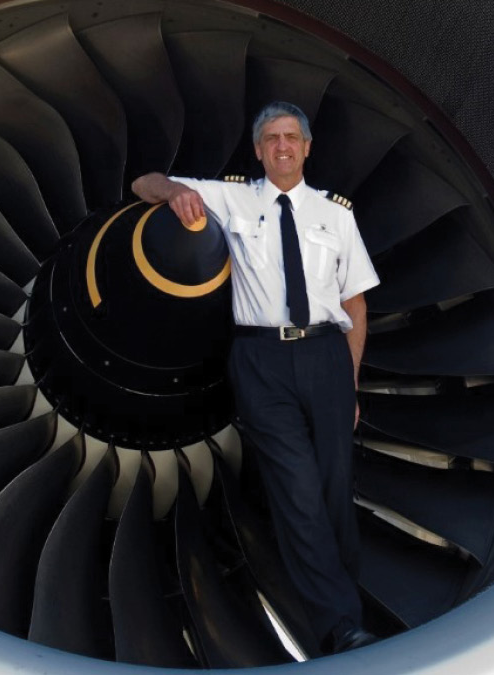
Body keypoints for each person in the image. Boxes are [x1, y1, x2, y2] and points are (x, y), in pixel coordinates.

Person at [132, 101, 381, 654]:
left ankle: (346, 608)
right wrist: (174, 193)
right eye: (271, 138)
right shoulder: (234, 197)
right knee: (297, 491)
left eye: (292, 137)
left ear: (307, 147)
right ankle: (340, 626)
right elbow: (142, 181)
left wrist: (352, 382)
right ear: (259, 149)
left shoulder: (335, 217)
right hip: (262, 359)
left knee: (334, 490)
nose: (283, 146)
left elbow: (356, 307)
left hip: (326, 357)